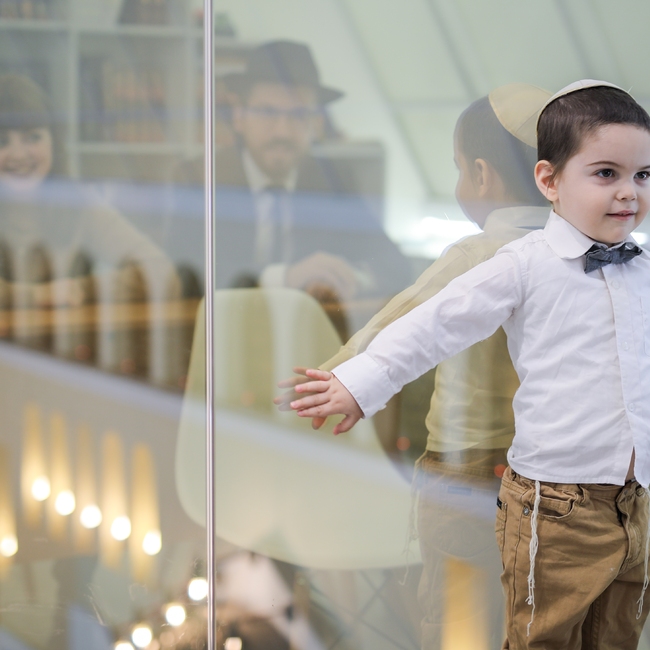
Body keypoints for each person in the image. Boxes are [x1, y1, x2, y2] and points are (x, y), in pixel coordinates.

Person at [287, 79, 650, 649]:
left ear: (482, 175)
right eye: (607, 173)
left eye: (642, 175)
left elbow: (404, 317)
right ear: (550, 179)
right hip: (542, 486)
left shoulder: (499, 253)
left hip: (492, 470)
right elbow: (427, 326)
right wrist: (355, 383)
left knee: (470, 618)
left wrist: (345, 373)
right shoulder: (520, 260)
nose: (628, 191)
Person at [174, 40, 411, 322]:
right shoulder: (199, 179)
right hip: (222, 331)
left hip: (308, 334)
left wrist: (346, 277)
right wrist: (285, 278)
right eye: (267, 112)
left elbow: (394, 265)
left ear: (317, 124)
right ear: (239, 117)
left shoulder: (334, 179)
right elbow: (187, 273)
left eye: (299, 115)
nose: (282, 131)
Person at [0, 73, 178, 378]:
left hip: (63, 368)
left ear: (54, 142)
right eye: (3, 141)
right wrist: (41, 295)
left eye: (33, 137)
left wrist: (80, 290)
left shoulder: (78, 204)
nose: (19, 154)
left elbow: (161, 272)